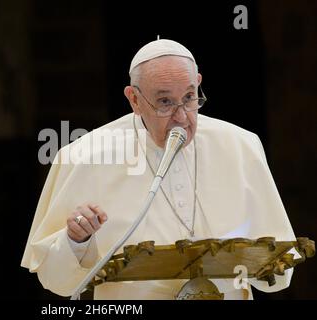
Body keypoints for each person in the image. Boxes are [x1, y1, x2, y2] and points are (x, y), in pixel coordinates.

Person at [21, 39, 297, 299]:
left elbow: (282, 270)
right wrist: (75, 240)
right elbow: (53, 279)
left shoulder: (240, 146)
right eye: (165, 102)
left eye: (189, 97)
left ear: (198, 84)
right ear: (134, 99)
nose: (181, 117)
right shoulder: (84, 155)